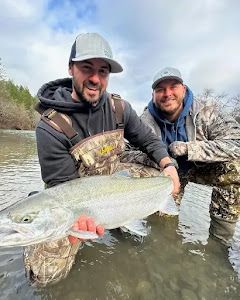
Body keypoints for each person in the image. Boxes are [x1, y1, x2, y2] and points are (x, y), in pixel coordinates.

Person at [24, 34, 180, 285]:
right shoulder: (51, 126)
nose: (95, 78)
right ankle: (38, 212)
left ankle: (131, 215)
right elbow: (65, 188)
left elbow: (150, 141)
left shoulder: (120, 108)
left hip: (114, 182)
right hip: (71, 198)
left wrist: (169, 166)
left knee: (156, 169)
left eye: (103, 71)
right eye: (87, 68)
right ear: (70, 69)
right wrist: (81, 223)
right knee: (44, 276)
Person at [126, 66, 240, 246]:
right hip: (168, 177)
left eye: (173, 87)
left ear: (184, 89)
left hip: (204, 169)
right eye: (160, 89)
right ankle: (164, 240)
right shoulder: (144, 121)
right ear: (153, 94)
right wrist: (163, 161)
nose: (167, 93)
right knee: (165, 233)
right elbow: (127, 154)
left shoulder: (207, 112)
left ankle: (220, 241)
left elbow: (236, 144)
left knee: (235, 168)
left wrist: (190, 149)